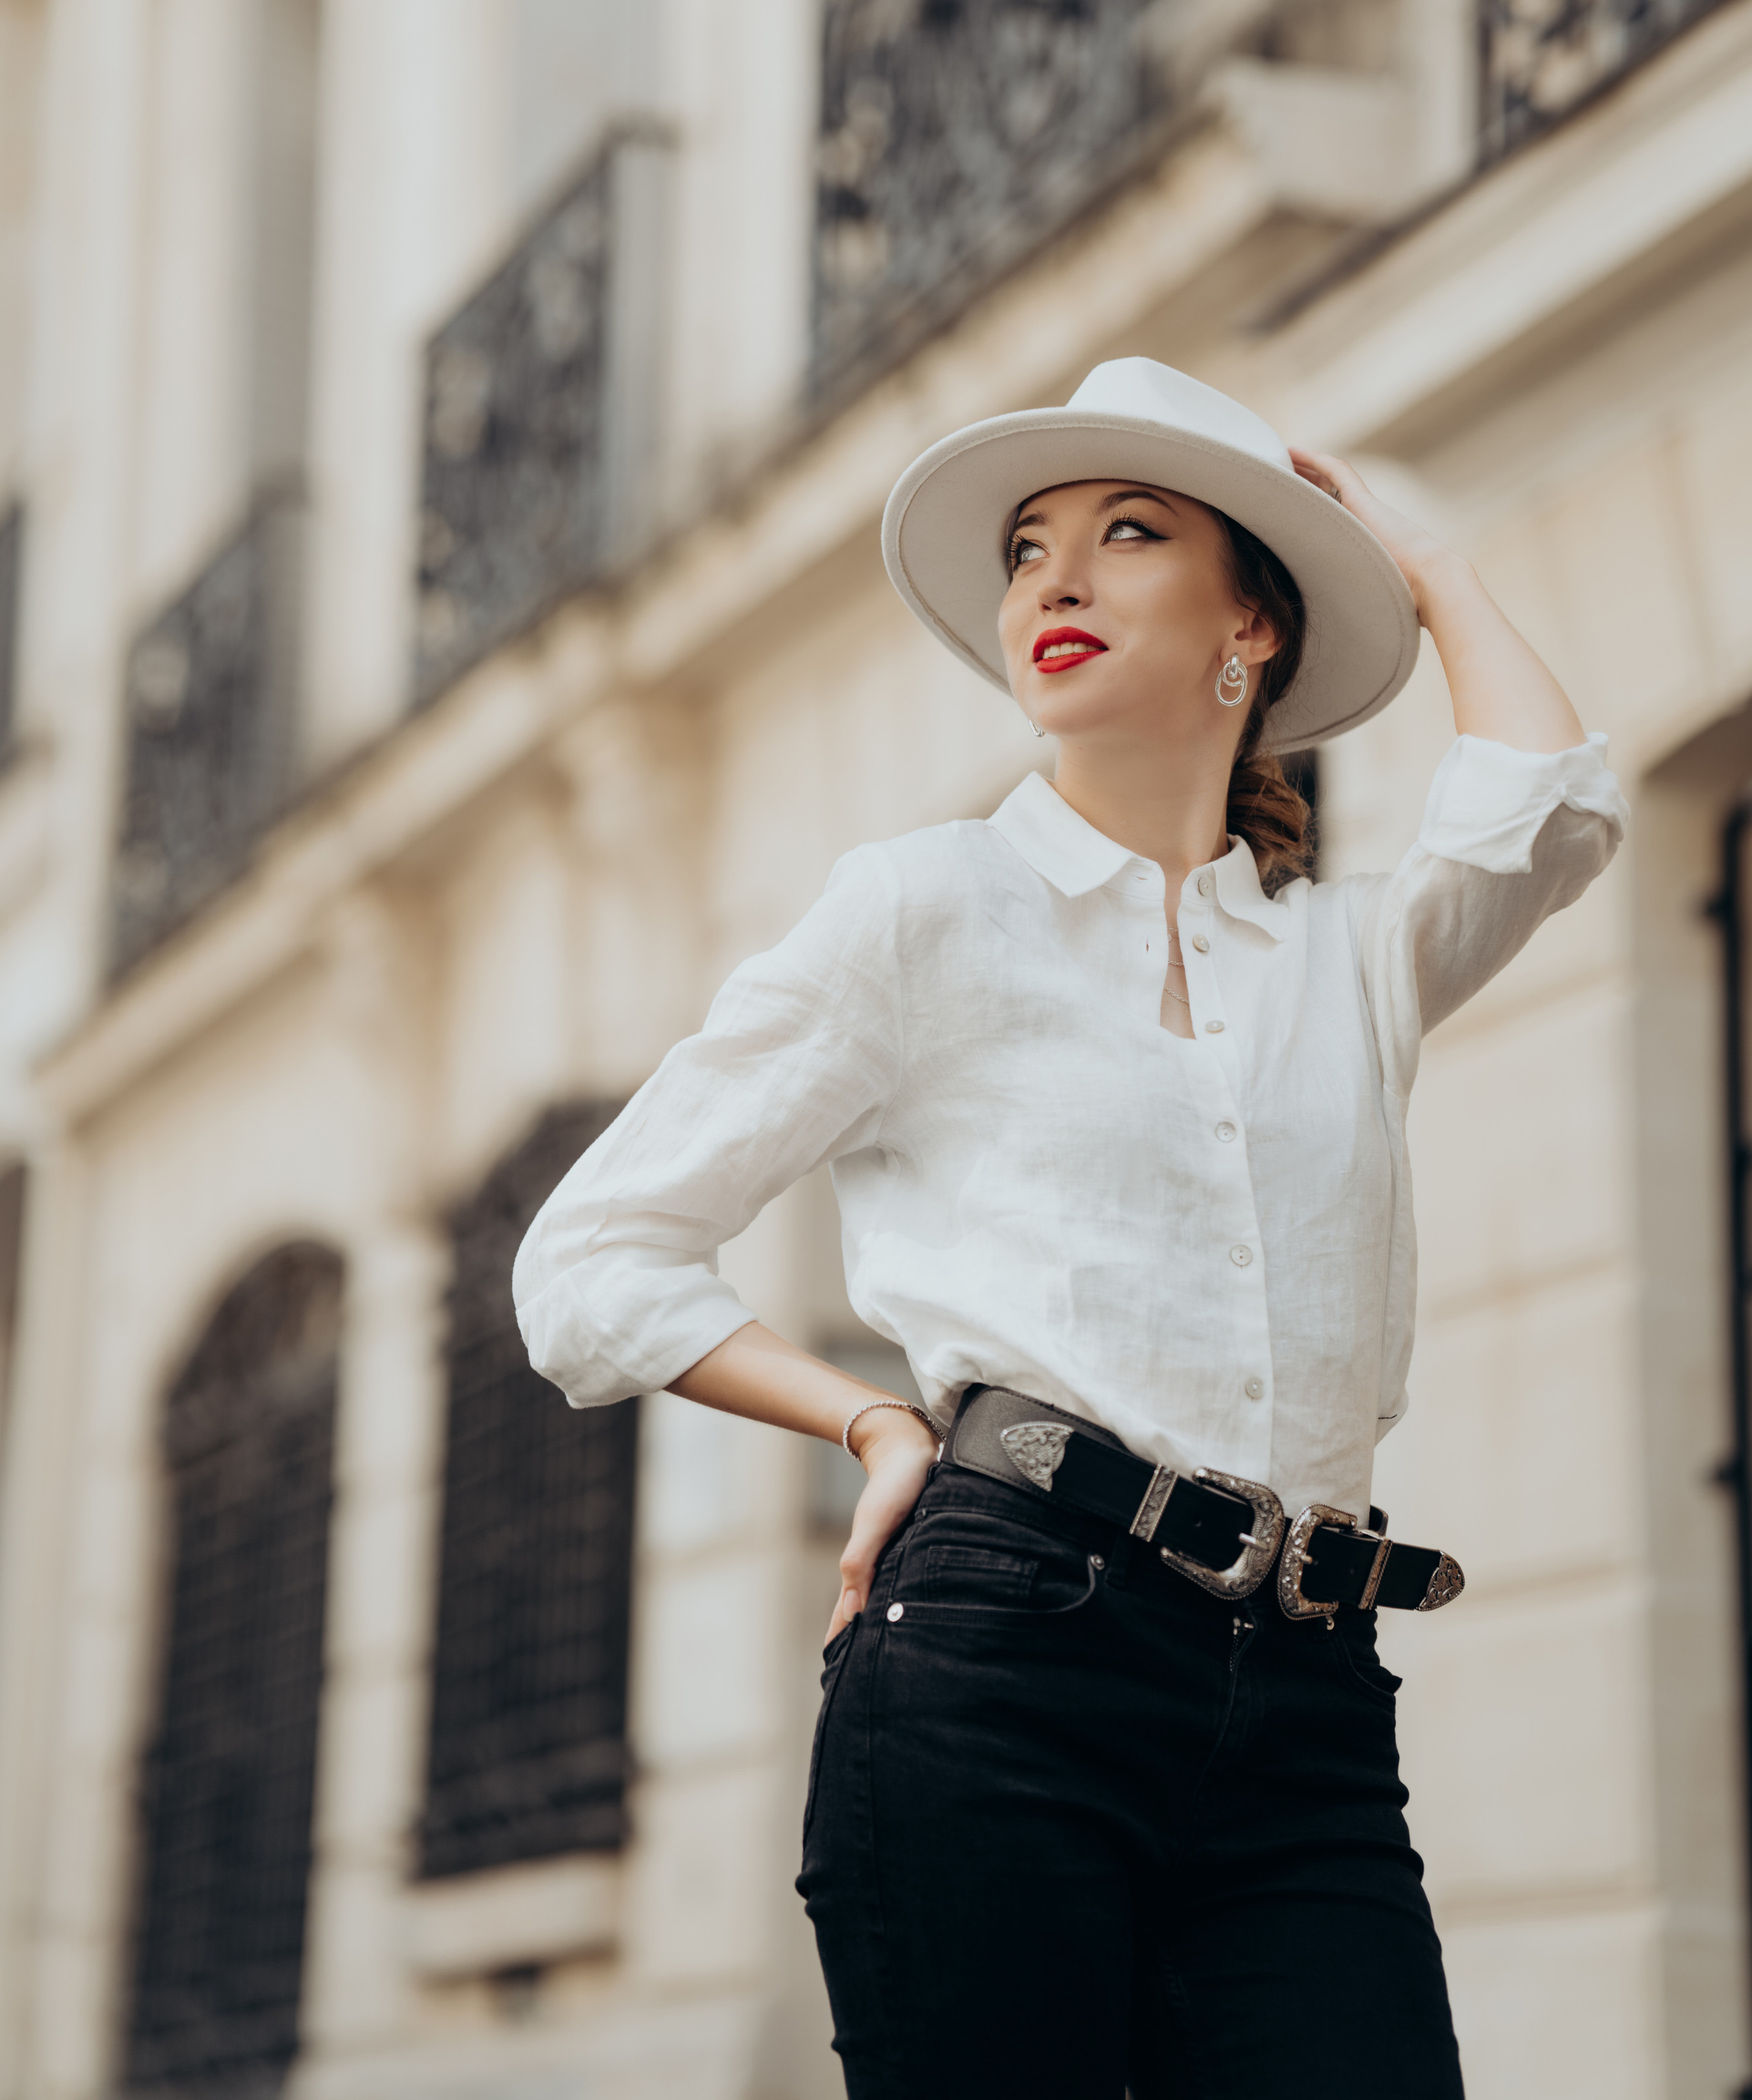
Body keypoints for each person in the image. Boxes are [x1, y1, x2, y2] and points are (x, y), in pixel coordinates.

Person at [514, 358, 1625, 2098]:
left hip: (1310, 1702)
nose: (1055, 576)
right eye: (1030, 546)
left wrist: (1419, 562)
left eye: (1128, 532)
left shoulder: (1347, 963)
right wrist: (871, 1418)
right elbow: (589, 1266)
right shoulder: (921, 909)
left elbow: (1550, 809)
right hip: (1005, 1651)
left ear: (1245, 628)